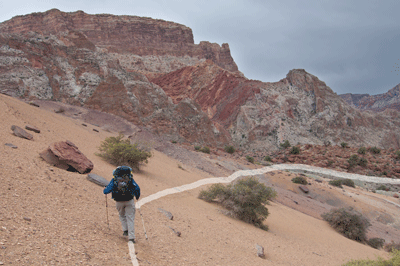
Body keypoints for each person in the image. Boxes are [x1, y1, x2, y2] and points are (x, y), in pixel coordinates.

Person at [103, 166, 140, 243]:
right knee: (130, 218)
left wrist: (105, 190)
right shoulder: (130, 179)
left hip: (119, 201)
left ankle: (125, 230)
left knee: (122, 215)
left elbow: (107, 190)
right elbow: (137, 188)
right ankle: (131, 238)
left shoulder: (115, 180)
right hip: (129, 200)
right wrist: (137, 196)